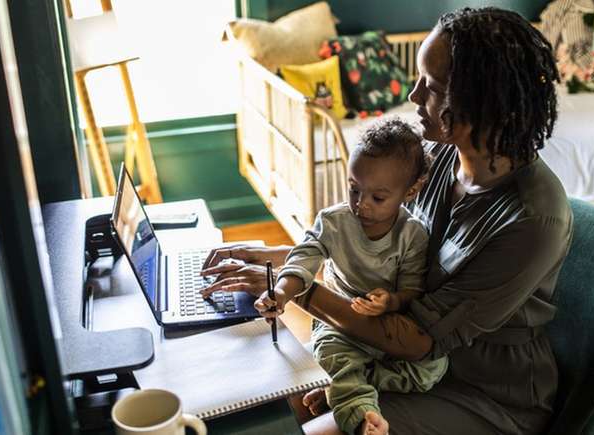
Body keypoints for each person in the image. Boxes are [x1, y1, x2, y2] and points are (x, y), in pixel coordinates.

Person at [200, 7, 573, 434]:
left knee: (309, 428)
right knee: (269, 399)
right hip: (401, 361)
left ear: (482, 101)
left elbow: (415, 338)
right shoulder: (442, 161)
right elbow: (392, 249)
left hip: (483, 393)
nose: (414, 96)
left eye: (431, 87)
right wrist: (289, 257)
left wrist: (297, 288)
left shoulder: (530, 220)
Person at [266, 117, 447, 434]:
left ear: (411, 190)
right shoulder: (334, 222)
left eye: (377, 197)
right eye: (353, 189)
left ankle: (345, 383)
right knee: (336, 356)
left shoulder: (413, 235)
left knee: (432, 369)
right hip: (340, 326)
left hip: (385, 328)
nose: (361, 204)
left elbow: (411, 290)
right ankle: (362, 415)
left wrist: (390, 301)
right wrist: (281, 292)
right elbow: (304, 257)